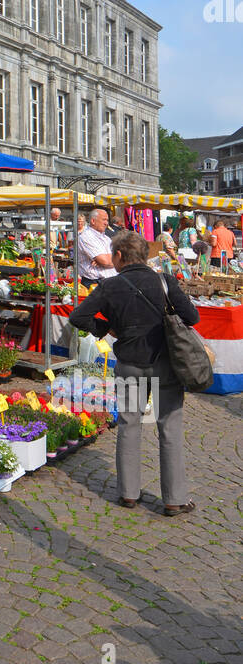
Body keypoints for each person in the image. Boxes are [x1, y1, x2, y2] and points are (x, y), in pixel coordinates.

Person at [69, 230, 199, 516]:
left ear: (118, 256)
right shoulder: (164, 281)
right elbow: (193, 317)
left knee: (129, 425)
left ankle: (128, 494)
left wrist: (108, 329)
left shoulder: (109, 285)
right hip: (165, 362)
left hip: (129, 362)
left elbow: (78, 316)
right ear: (145, 254)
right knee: (170, 427)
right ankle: (174, 499)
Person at [77, 208, 115, 287]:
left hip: (109, 281)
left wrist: (108, 259)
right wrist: (112, 259)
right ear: (93, 221)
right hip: (94, 283)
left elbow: (119, 257)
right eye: (104, 220)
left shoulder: (106, 238)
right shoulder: (86, 236)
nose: (106, 223)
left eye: (107, 220)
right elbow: (105, 261)